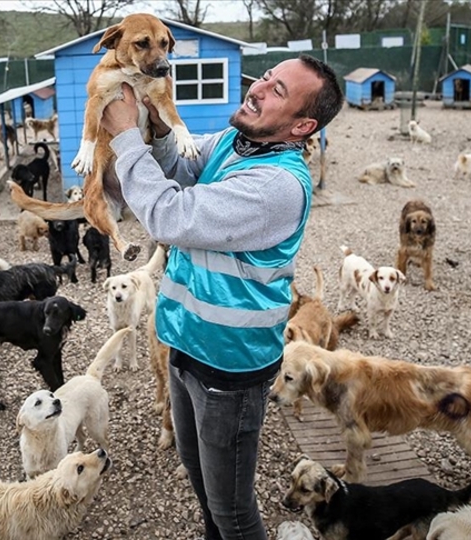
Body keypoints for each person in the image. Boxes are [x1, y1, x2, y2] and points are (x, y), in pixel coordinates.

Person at [100, 55, 344, 540]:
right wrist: (156, 123)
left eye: (278, 91)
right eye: (267, 77)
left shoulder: (277, 185)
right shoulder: (237, 142)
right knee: (196, 471)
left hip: (227, 371)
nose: (258, 88)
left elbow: (169, 215)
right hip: (183, 344)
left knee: (232, 510)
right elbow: (179, 164)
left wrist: (126, 135)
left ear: (302, 125)